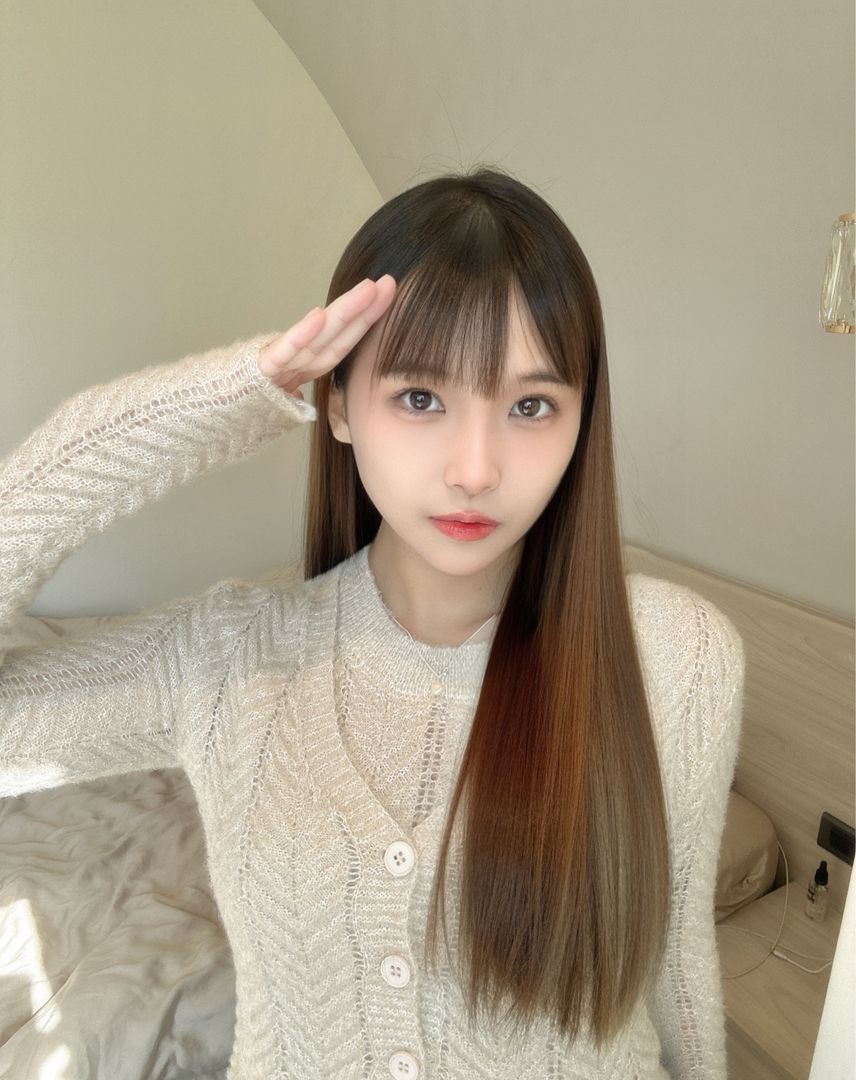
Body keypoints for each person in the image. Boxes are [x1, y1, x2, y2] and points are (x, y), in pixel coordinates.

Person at [0, 165, 745, 1079]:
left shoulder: (676, 656)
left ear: (581, 421)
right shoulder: (229, 659)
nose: (476, 469)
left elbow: (676, 966)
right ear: (338, 405)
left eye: (531, 406)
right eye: (421, 398)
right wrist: (226, 399)